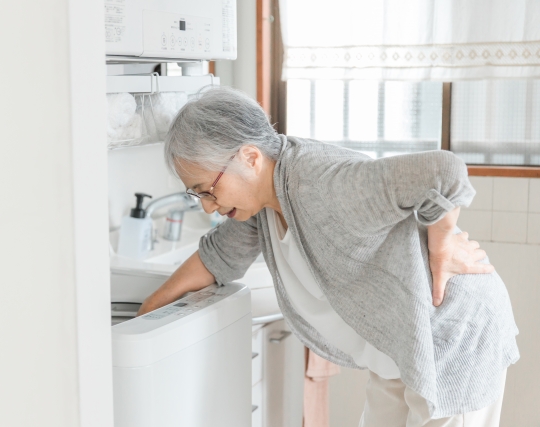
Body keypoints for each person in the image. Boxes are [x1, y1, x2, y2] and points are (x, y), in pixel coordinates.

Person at [137, 86, 519, 426]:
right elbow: (216, 259)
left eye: (207, 190)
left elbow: (445, 171)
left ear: (249, 157)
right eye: (198, 194)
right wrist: (145, 315)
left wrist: (442, 246)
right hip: (397, 347)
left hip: (450, 337)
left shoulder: (323, 182)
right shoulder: (262, 203)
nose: (207, 207)